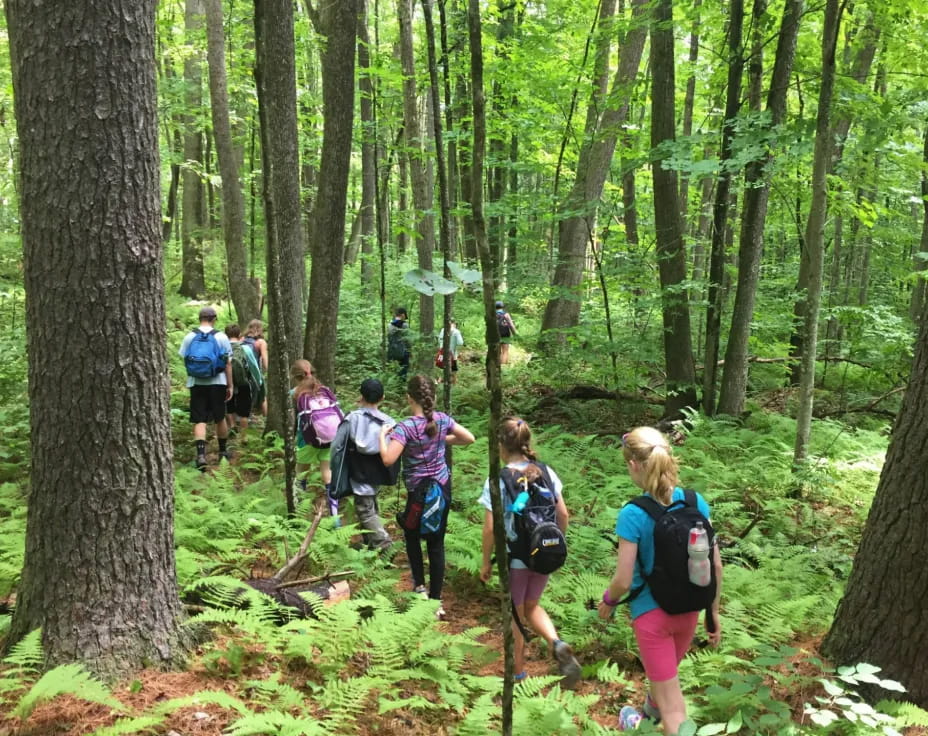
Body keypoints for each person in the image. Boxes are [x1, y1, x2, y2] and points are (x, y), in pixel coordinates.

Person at [598, 427, 723, 732]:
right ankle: (648, 714)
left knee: (675, 709)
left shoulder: (632, 514)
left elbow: (623, 580)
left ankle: (658, 716)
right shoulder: (695, 502)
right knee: (664, 682)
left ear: (633, 465)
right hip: (690, 611)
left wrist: (608, 602)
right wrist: (714, 613)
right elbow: (716, 566)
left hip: (652, 620)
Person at [479, 417, 581, 688]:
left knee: (516, 614)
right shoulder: (546, 471)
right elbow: (563, 513)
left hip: (518, 557)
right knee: (532, 605)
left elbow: (490, 529)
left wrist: (485, 563)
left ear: (501, 445)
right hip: (545, 553)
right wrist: (555, 543)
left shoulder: (500, 479)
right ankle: (556, 642)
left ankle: (518, 675)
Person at [379, 374, 475, 618]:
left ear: (409, 397)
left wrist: (382, 437)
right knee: (436, 543)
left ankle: (420, 587)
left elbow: (389, 459)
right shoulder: (442, 420)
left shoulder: (406, 427)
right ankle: (436, 600)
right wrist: (443, 438)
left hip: (418, 492)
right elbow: (469, 438)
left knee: (412, 537)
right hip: (441, 489)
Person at [336, 378, 396, 551]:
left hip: (358, 469)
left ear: (361, 396)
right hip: (378, 470)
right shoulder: (389, 422)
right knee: (370, 503)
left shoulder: (352, 418)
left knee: (364, 509)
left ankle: (384, 545)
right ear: (382, 397)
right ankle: (370, 544)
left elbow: (340, 442)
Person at [179, 306, 233, 470]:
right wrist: (230, 385)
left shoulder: (189, 337)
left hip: (196, 383)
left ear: (199, 318)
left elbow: (185, 359)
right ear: (214, 319)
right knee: (219, 417)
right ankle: (223, 452)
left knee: (199, 419)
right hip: (218, 382)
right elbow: (228, 363)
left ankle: (201, 455)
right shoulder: (221, 337)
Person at [290, 359, 340, 519]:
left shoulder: (295, 394)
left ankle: (299, 513)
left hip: (306, 440)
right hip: (329, 438)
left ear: (295, 376)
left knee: (301, 473)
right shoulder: (323, 390)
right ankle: (334, 515)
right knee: (327, 471)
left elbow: (294, 421)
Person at [224, 323, 262, 443]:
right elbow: (253, 366)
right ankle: (244, 436)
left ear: (226, 335)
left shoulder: (223, 349)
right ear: (240, 334)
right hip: (244, 382)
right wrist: (258, 381)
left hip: (226, 382)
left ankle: (232, 427)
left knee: (229, 406)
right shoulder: (245, 348)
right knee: (244, 410)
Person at [244, 319, 269, 416]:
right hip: (255, 374)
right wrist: (268, 371)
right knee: (263, 396)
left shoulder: (241, 339)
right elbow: (264, 359)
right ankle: (266, 417)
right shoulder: (260, 342)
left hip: (241, 373)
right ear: (260, 329)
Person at [387, 307, 411, 382]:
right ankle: (401, 384)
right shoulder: (405, 325)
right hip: (403, 351)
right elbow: (407, 339)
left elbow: (389, 338)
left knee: (394, 369)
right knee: (404, 368)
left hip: (392, 350)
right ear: (403, 315)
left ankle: (395, 384)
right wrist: (410, 350)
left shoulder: (390, 325)